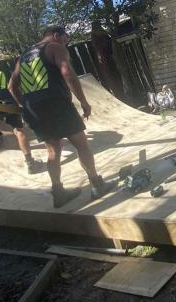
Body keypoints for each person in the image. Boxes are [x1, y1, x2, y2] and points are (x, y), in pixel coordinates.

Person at [8, 26, 112, 208]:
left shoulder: (23, 56)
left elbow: (11, 86)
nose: (66, 43)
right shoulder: (55, 47)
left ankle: (58, 193)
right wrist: (84, 102)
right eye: (66, 39)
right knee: (81, 144)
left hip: (35, 108)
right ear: (57, 35)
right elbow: (68, 74)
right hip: (57, 103)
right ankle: (96, 185)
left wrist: (24, 105)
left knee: (53, 151)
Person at [0, 64, 42, 174]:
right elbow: (13, 87)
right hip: (9, 103)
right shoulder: (0, 73)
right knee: (19, 131)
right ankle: (30, 164)